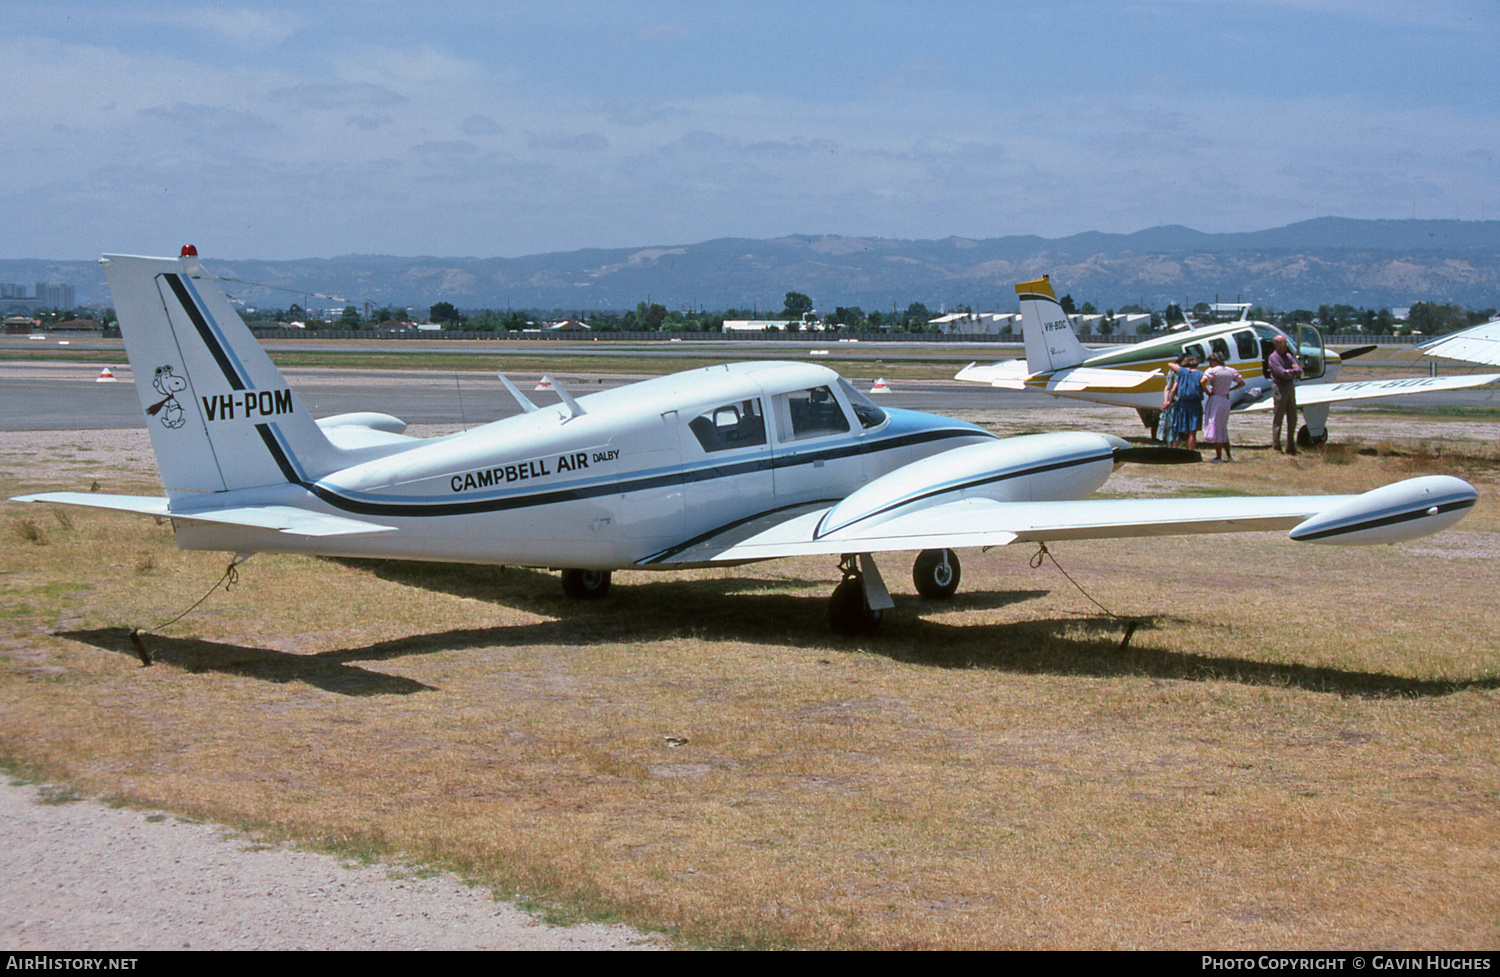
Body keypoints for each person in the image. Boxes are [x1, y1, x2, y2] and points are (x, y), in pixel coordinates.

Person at [1199, 352, 1245, 462]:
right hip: (1225, 399)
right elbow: (1242, 383)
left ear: (1215, 361)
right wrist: (1230, 389)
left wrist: (1207, 391)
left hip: (1215, 398)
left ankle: (1219, 456)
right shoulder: (1231, 370)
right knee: (1223, 427)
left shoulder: (1212, 371)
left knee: (1215, 426)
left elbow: (1202, 381)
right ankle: (1229, 455)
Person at [1267, 334, 1303, 454]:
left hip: (1289, 386)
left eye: (1285, 343)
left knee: (1293, 416)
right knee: (1279, 416)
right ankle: (1276, 445)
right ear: (1276, 344)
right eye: (1282, 343)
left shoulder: (1288, 356)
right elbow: (1281, 373)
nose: (1285, 345)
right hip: (1279, 387)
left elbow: (1299, 370)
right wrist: (1291, 372)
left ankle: (1291, 445)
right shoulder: (1273, 357)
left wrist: (1290, 371)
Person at [1168, 354, 1204, 451]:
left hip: (1183, 403)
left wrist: (1169, 401)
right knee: (1192, 431)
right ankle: (1190, 451)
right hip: (1195, 403)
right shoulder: (1200, 373)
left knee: (1181, 429)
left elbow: (1170, 364)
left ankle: (1179, 449)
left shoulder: (1182, 372)